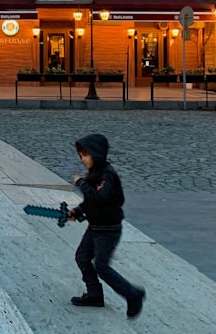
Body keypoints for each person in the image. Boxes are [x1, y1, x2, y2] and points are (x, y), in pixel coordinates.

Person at [68, 133, 145, 319]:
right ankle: (94, 294)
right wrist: (78, 212)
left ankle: (132, 294)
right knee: (82, 258)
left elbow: (100, 197)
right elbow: (91, 202)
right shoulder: (94, 174)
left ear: (97, 153)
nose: (83, 159)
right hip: (95, 227)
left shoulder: (107, 175)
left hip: (108, 231)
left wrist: (80, 183)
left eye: (86, 155)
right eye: (81, 156)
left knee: (102, 266)